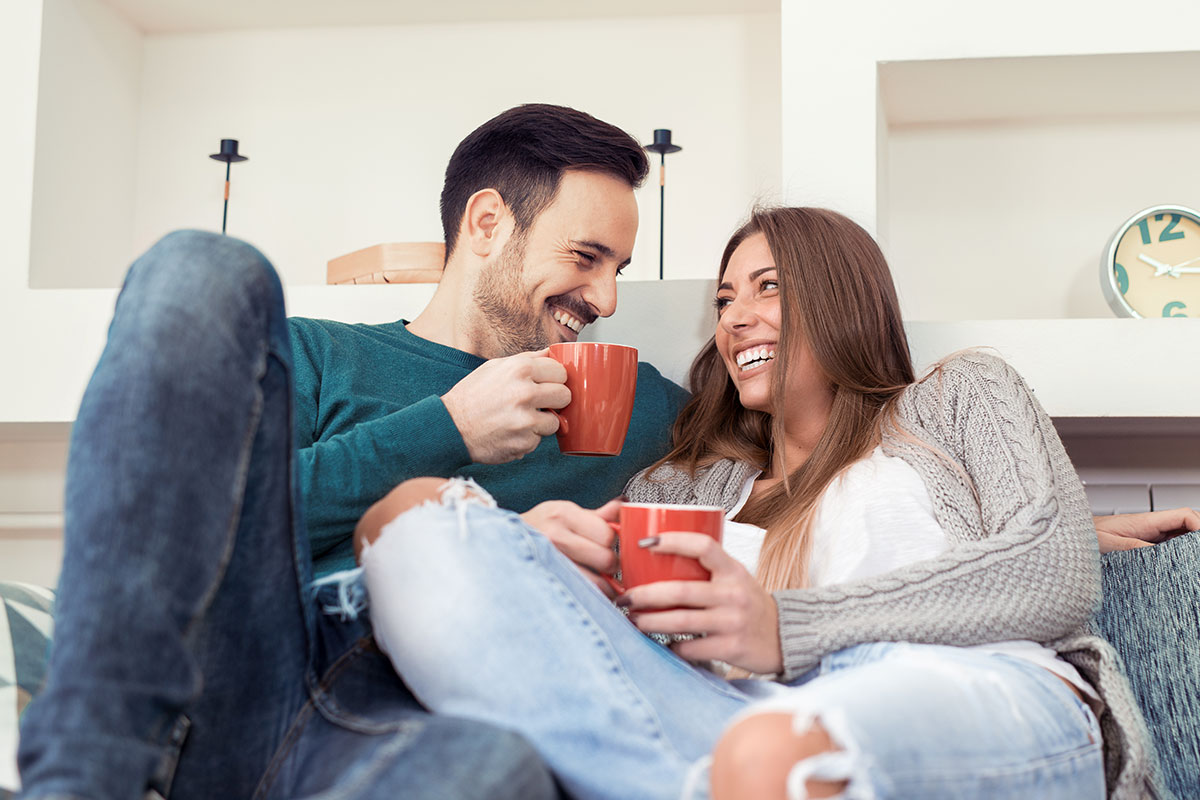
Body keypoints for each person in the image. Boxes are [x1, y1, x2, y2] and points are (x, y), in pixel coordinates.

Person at [352, 206, 1165, 800]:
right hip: (740, 717)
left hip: (981, 697)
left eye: (768, 288)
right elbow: (636, 650)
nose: (737, 318)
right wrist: (554, 562)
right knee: (413, 521)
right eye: (725, 301)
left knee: (776, 758)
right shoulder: (686, 485)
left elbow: (1055, 571)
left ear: (844, 296)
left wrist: (788, 628)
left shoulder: (956, 397)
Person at [16, 103, 686, 799]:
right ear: (487, 223)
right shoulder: (315, 354)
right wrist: (447, 429)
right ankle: (82, 776)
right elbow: (200, 525)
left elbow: (784, 446)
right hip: (252, 686)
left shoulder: (630, 401)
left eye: (620, 269)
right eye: (586, 257)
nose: (606, 297)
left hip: (417, 733)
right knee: (204, 266)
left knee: (495, 771)